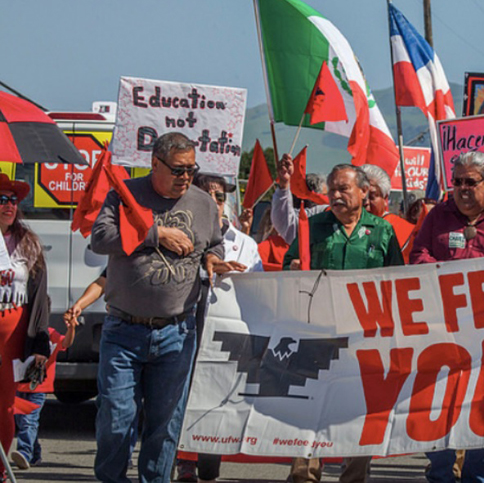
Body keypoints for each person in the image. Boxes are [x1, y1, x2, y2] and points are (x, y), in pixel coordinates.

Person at [90, 131, 245, 483]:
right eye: (178, 170)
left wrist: (212, 259)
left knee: (165, 426)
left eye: (191, 169)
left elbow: (216, 244)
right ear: (154, 164)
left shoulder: (203, 203)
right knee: (115, 418)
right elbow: (99, 239)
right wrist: (155, 235)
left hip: (177, 331)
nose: (186, 177)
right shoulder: (125, 194)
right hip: (124, 330)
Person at [282, 164, 403, 483]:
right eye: (332, 188)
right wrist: (293, 269)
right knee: (311, 408)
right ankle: (304, 475)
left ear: (364, 192)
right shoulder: (311, 226)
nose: (335, 195)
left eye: (343, 189)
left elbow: (399, 281)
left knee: (359, 410)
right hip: (317, 335)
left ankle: (354, 477)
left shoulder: (382, 231)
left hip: (365, 339)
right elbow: (288, 266)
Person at [410, 151, 484, 483]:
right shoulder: (437, 215)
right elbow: (419, 254)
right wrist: (448, 278)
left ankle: (481, 478)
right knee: (438, 408)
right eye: (456, 181)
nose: (461, 188)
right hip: (442, 333)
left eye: (470, 182)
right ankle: (442, 473)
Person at [176, 173, 264, 483]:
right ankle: (182, 460)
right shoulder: (180, 235)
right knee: (183, 395)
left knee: (215, 396)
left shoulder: (245, 244)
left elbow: (260, 291)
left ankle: (207, 457)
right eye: (208, 194)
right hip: (187, 329)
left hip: (228, 337)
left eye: (221, 196)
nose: (216, 201)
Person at [0, 173, 51, 480]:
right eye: (2, 199)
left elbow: (40, 297)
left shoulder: (28, 242)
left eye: (13, 200)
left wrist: (40, 345)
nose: (9, 205)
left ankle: (1, 470)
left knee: (5, 404)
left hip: (14, 328)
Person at [11, 316, 76, 470]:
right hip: (19, 387)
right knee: (21, 421)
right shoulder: (21, 333)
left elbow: (65, 343)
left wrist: (71, 328)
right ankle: (35, 453)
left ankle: (24, 453)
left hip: (38, 388)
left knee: (29, 421)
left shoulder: (49, 334)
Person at [359, 164, 416, 261]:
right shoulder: (340, 226)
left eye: (372, 196)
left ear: (385, 198)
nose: (366, 202)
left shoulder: (405, 231)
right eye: (361, 195)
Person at [272, 152, 327, 245]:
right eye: (327, 195)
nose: (337, 195)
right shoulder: (324, 213)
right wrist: (284, 184)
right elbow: (287, 224)